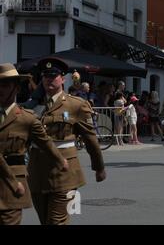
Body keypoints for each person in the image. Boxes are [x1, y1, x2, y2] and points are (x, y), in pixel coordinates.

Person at [28, 58, 106, 225]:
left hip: (65, 174)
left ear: (63, 79)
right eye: (45, 76)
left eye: (54, 75)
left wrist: (99, 167)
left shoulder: (76, 105)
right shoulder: (33, 105)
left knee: (57, 222)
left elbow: (90, 139)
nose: (49, 79)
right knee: (45, 221)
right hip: (37, 173)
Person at [0, 64, 68, 225]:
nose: (0, 89)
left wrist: (61, 161)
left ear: (15, 88)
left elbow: (45, 142)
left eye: (5, 85)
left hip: (13, 186)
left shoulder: (26, 119)